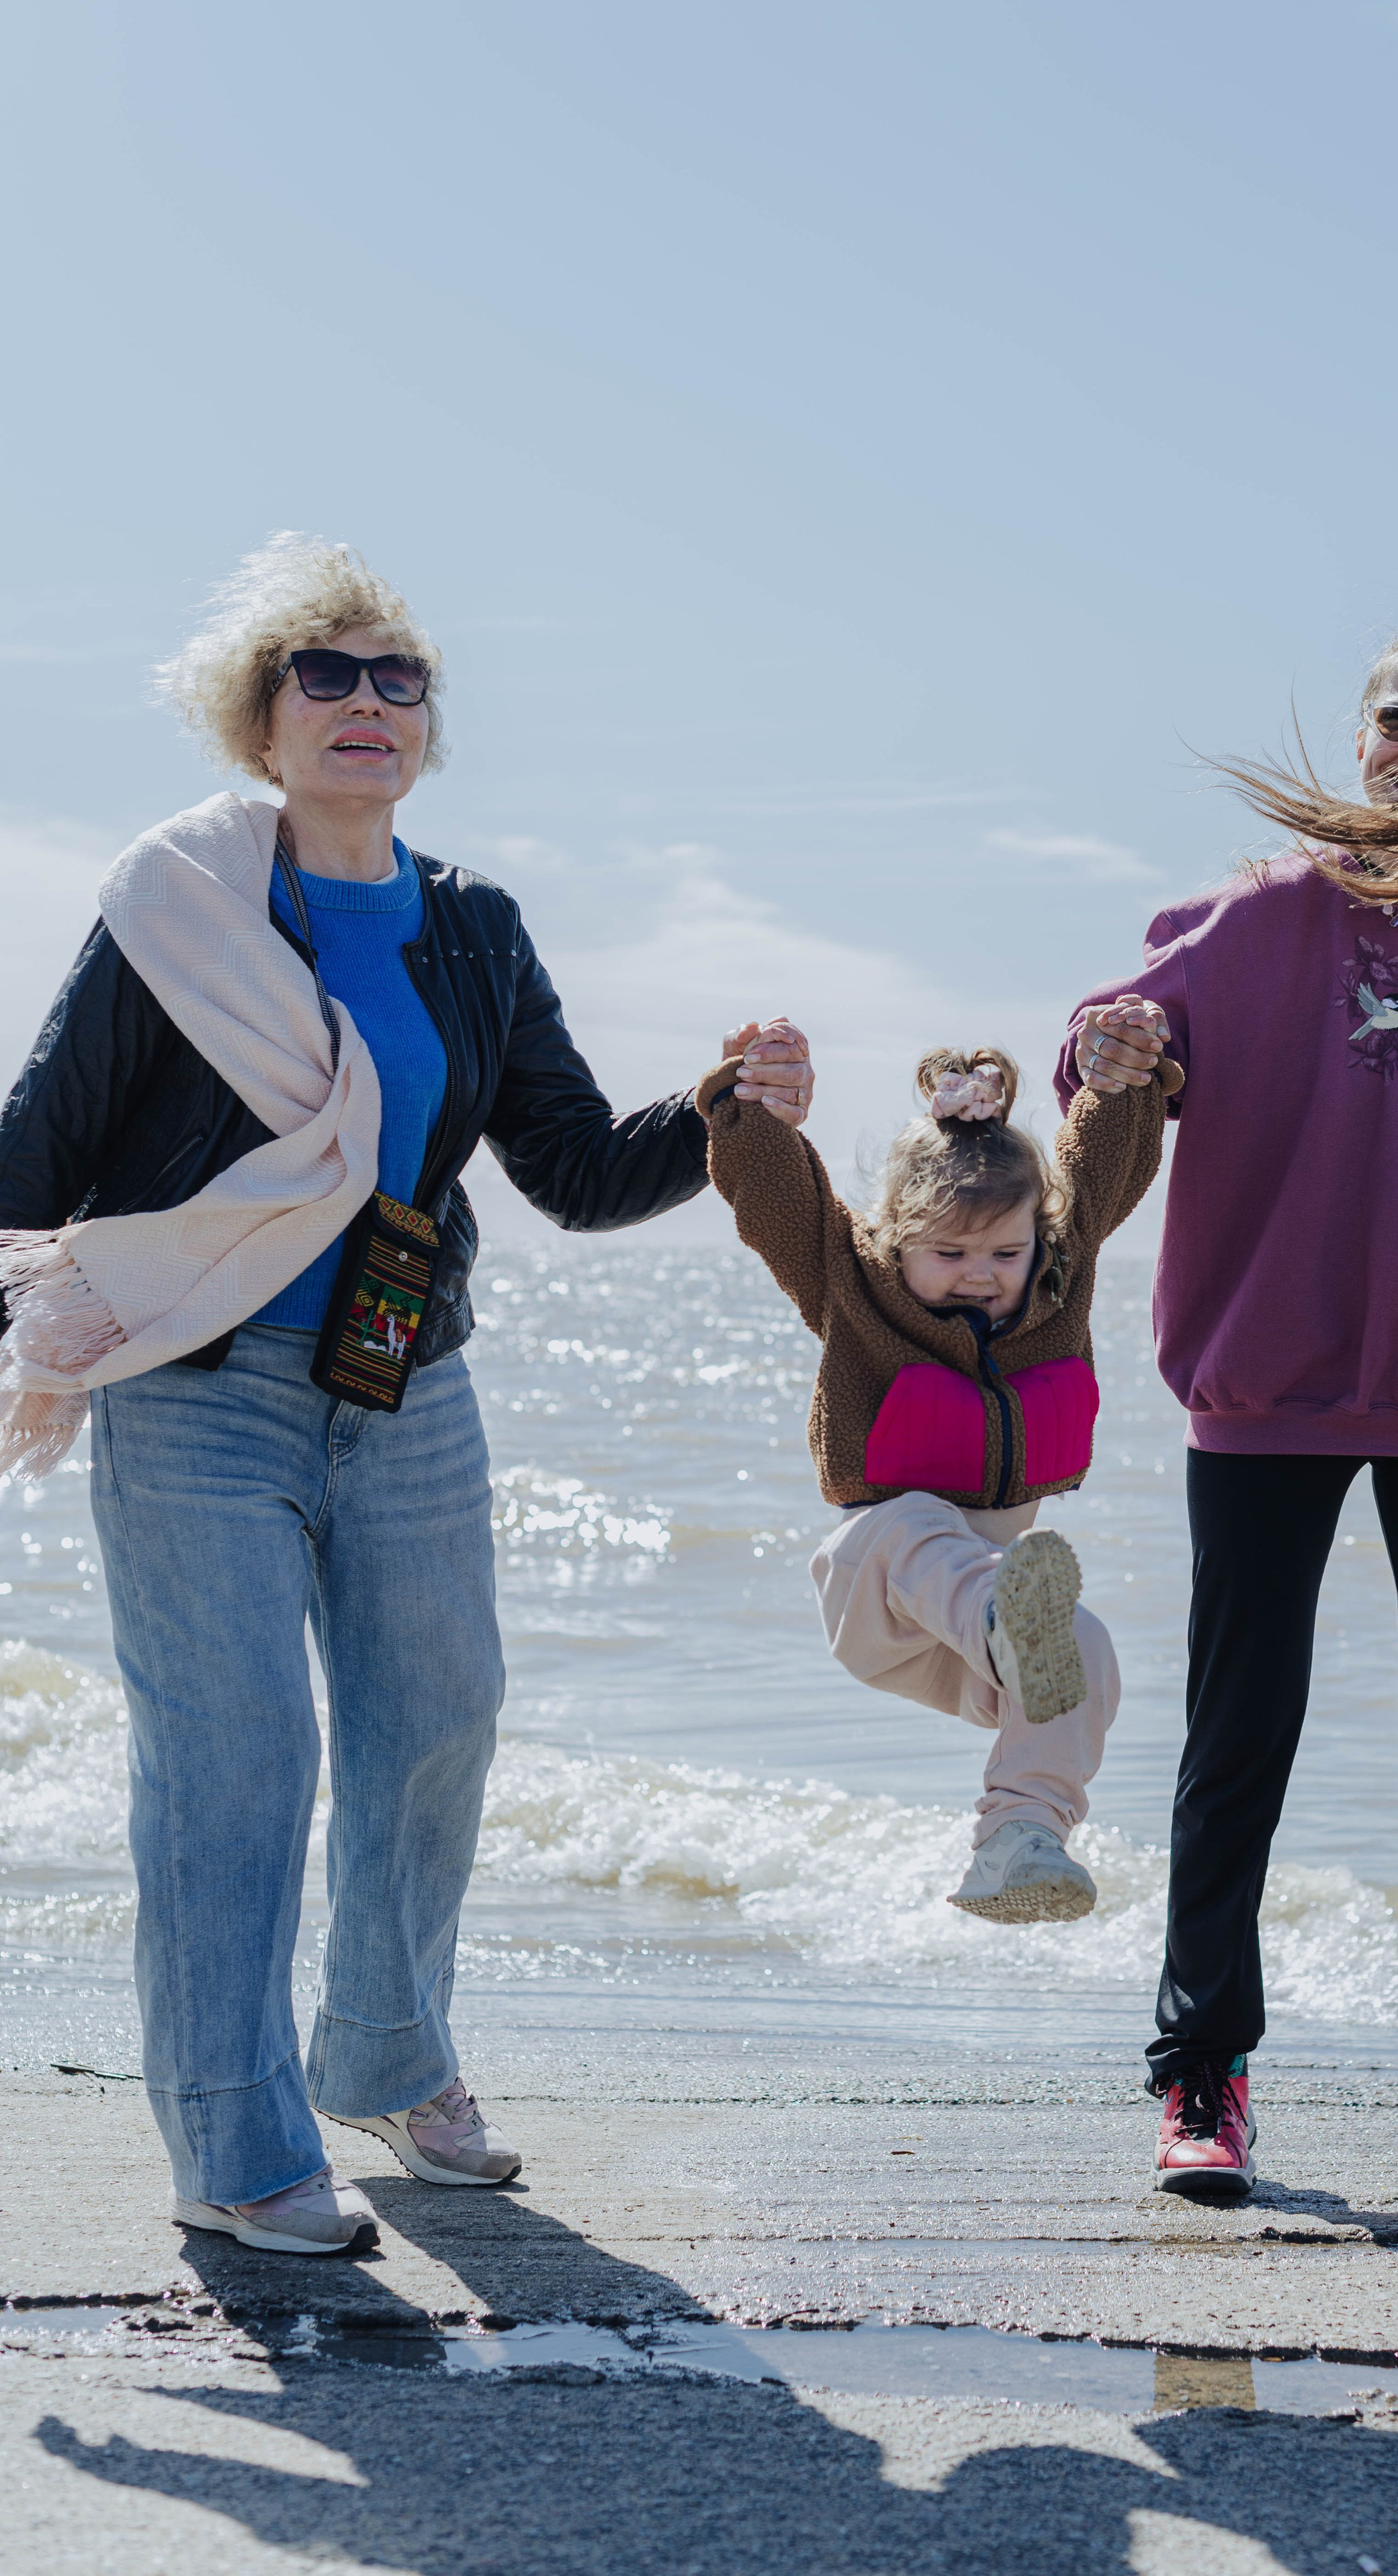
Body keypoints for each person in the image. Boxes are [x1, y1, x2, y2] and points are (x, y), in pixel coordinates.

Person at [0, 534, 812, 2256]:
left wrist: (726, 1107)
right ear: (261, 720)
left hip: (402, 1380)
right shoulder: (179, 907)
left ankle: (382, 2051)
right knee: (236, 1762)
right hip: (196, 1393)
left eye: (400, 679)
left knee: (439, 1719)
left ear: (428, 729)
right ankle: (234, 2143)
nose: (366, 702)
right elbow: (38, 1149)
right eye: (327, 675)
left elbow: (572, 1169)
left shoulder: (474, 928)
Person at [1058, 594, 1398, 2233]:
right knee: (1236, 1739)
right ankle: (1200, 2072)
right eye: (1393, 718)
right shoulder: (1251, 918)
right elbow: (1101, 1054)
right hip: (1265, 1385)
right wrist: (1108, 1048)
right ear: (1359, 731)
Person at [701, 1024, 1177, 1920]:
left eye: (1005, 1254)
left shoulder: (1060, 1277)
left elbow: (1104, 1164)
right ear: (895, 1237)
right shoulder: (852, 1278)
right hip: (880, 1592)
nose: (980, 1277)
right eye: (949, 1255)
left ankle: (1019, 1840)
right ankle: (1009, 1617)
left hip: (974, 1654)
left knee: (1087, 1648)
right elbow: (775, 1200)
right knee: (921, 1530)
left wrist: (1126, 1077)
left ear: (1039, 1238)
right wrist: (754, 1105)